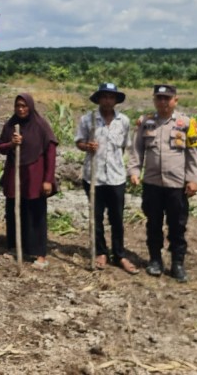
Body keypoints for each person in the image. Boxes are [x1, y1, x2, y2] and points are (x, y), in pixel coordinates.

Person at [128, 84, 197, 283]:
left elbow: (195, 154)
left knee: (177, 226)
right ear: (154, 100)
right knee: (153, 224)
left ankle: (177, 263)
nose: (163, 102)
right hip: (152, 184)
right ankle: (155, 260)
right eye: (159, 98)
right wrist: (134, 171)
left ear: (175, 100)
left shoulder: (186, 123)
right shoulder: (146, 122)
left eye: (167, 98)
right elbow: (137, 149)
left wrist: (194, 179)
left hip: (177, 185)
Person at [74, 83, 138, 274]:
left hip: (116, 177)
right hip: (93, 177)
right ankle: (100, 252)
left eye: (111, 97)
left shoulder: (124, 121)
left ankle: (119, 254)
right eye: (105, 97)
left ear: (116, 100)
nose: (108, 100)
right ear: (99, 99)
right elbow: (78, 142)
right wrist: (87, 146)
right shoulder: (88, 119)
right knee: (96, 217)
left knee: (117, 218)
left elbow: (125, 146)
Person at [0, 93, 58, 269]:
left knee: (36, 214)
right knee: (15, 210)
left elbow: (51, 153)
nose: (21, 109)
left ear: (30, 106)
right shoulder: (11, 124)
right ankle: (16, 246)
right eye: (18, 106)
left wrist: (48, 180)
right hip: (15, 175)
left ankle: (39, 253)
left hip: (34, 176)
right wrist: (11, 143)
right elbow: (1, 147)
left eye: (24, 106)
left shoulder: (40, 126)